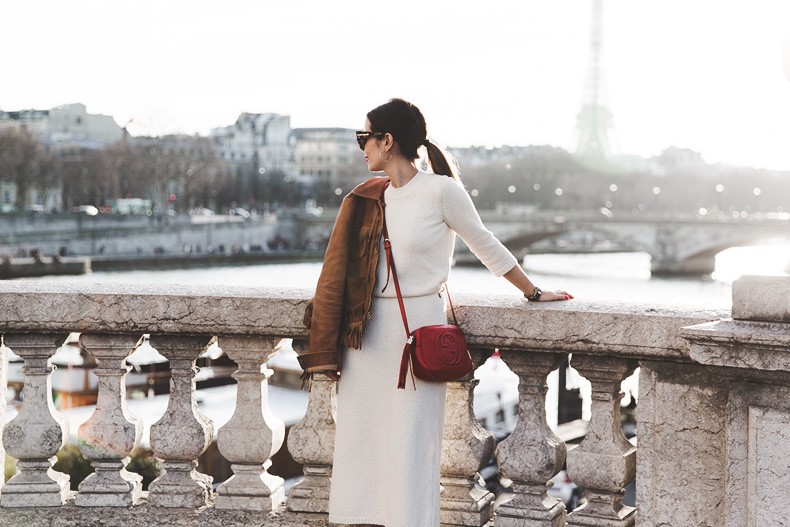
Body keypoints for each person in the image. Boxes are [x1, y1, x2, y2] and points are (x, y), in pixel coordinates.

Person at [298, 98, 571, 527]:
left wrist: (534, 292)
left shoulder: (442, 191)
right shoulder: (371, 197)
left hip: (415, 335)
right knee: (362, 444)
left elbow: (485, 244)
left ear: (388, 142)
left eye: (363, 138)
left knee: (411, 447)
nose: (360, 148)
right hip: (365, 336)